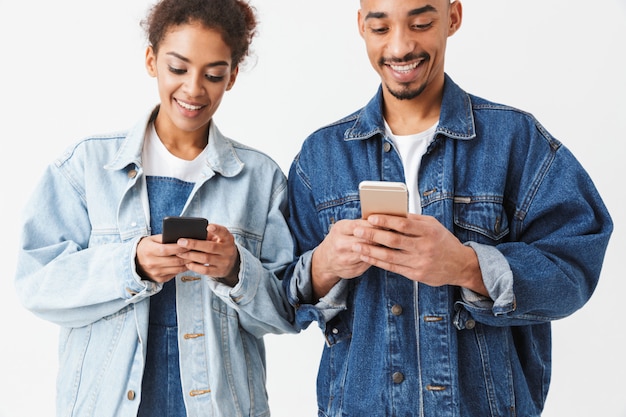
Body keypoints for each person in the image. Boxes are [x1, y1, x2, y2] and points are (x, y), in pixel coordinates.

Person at [283, 0, 613, 416]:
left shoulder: (516, 140)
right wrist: (324, 264)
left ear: (453, 17)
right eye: (381, 28)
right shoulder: (321, 156)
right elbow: (280, 295)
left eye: (420, 23)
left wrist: (464, 265)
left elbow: (576, 267)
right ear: (361, 28)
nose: (400, 47)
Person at [14, 0, 296, 416]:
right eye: (178, 68)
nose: (194, 89)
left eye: (213, 74)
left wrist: (235, 269)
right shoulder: (87, 167)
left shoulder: (260, 179)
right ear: (151, 60)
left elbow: (285, 313)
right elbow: (36, 285)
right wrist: (131, 266)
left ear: (232, 76)